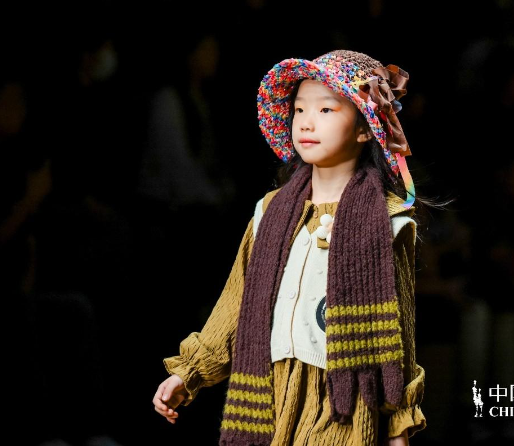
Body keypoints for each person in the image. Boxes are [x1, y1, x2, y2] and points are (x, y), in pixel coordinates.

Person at [152, 49, 441, 445]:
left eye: (326, 110)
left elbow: (399, 338)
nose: (306, 121)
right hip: (269, 396)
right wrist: (189, 373)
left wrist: (398, 430)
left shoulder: (387, 222)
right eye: (300, 109)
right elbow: (236, 302)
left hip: (344, 404)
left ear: (364, 129)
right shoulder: (270, 212)